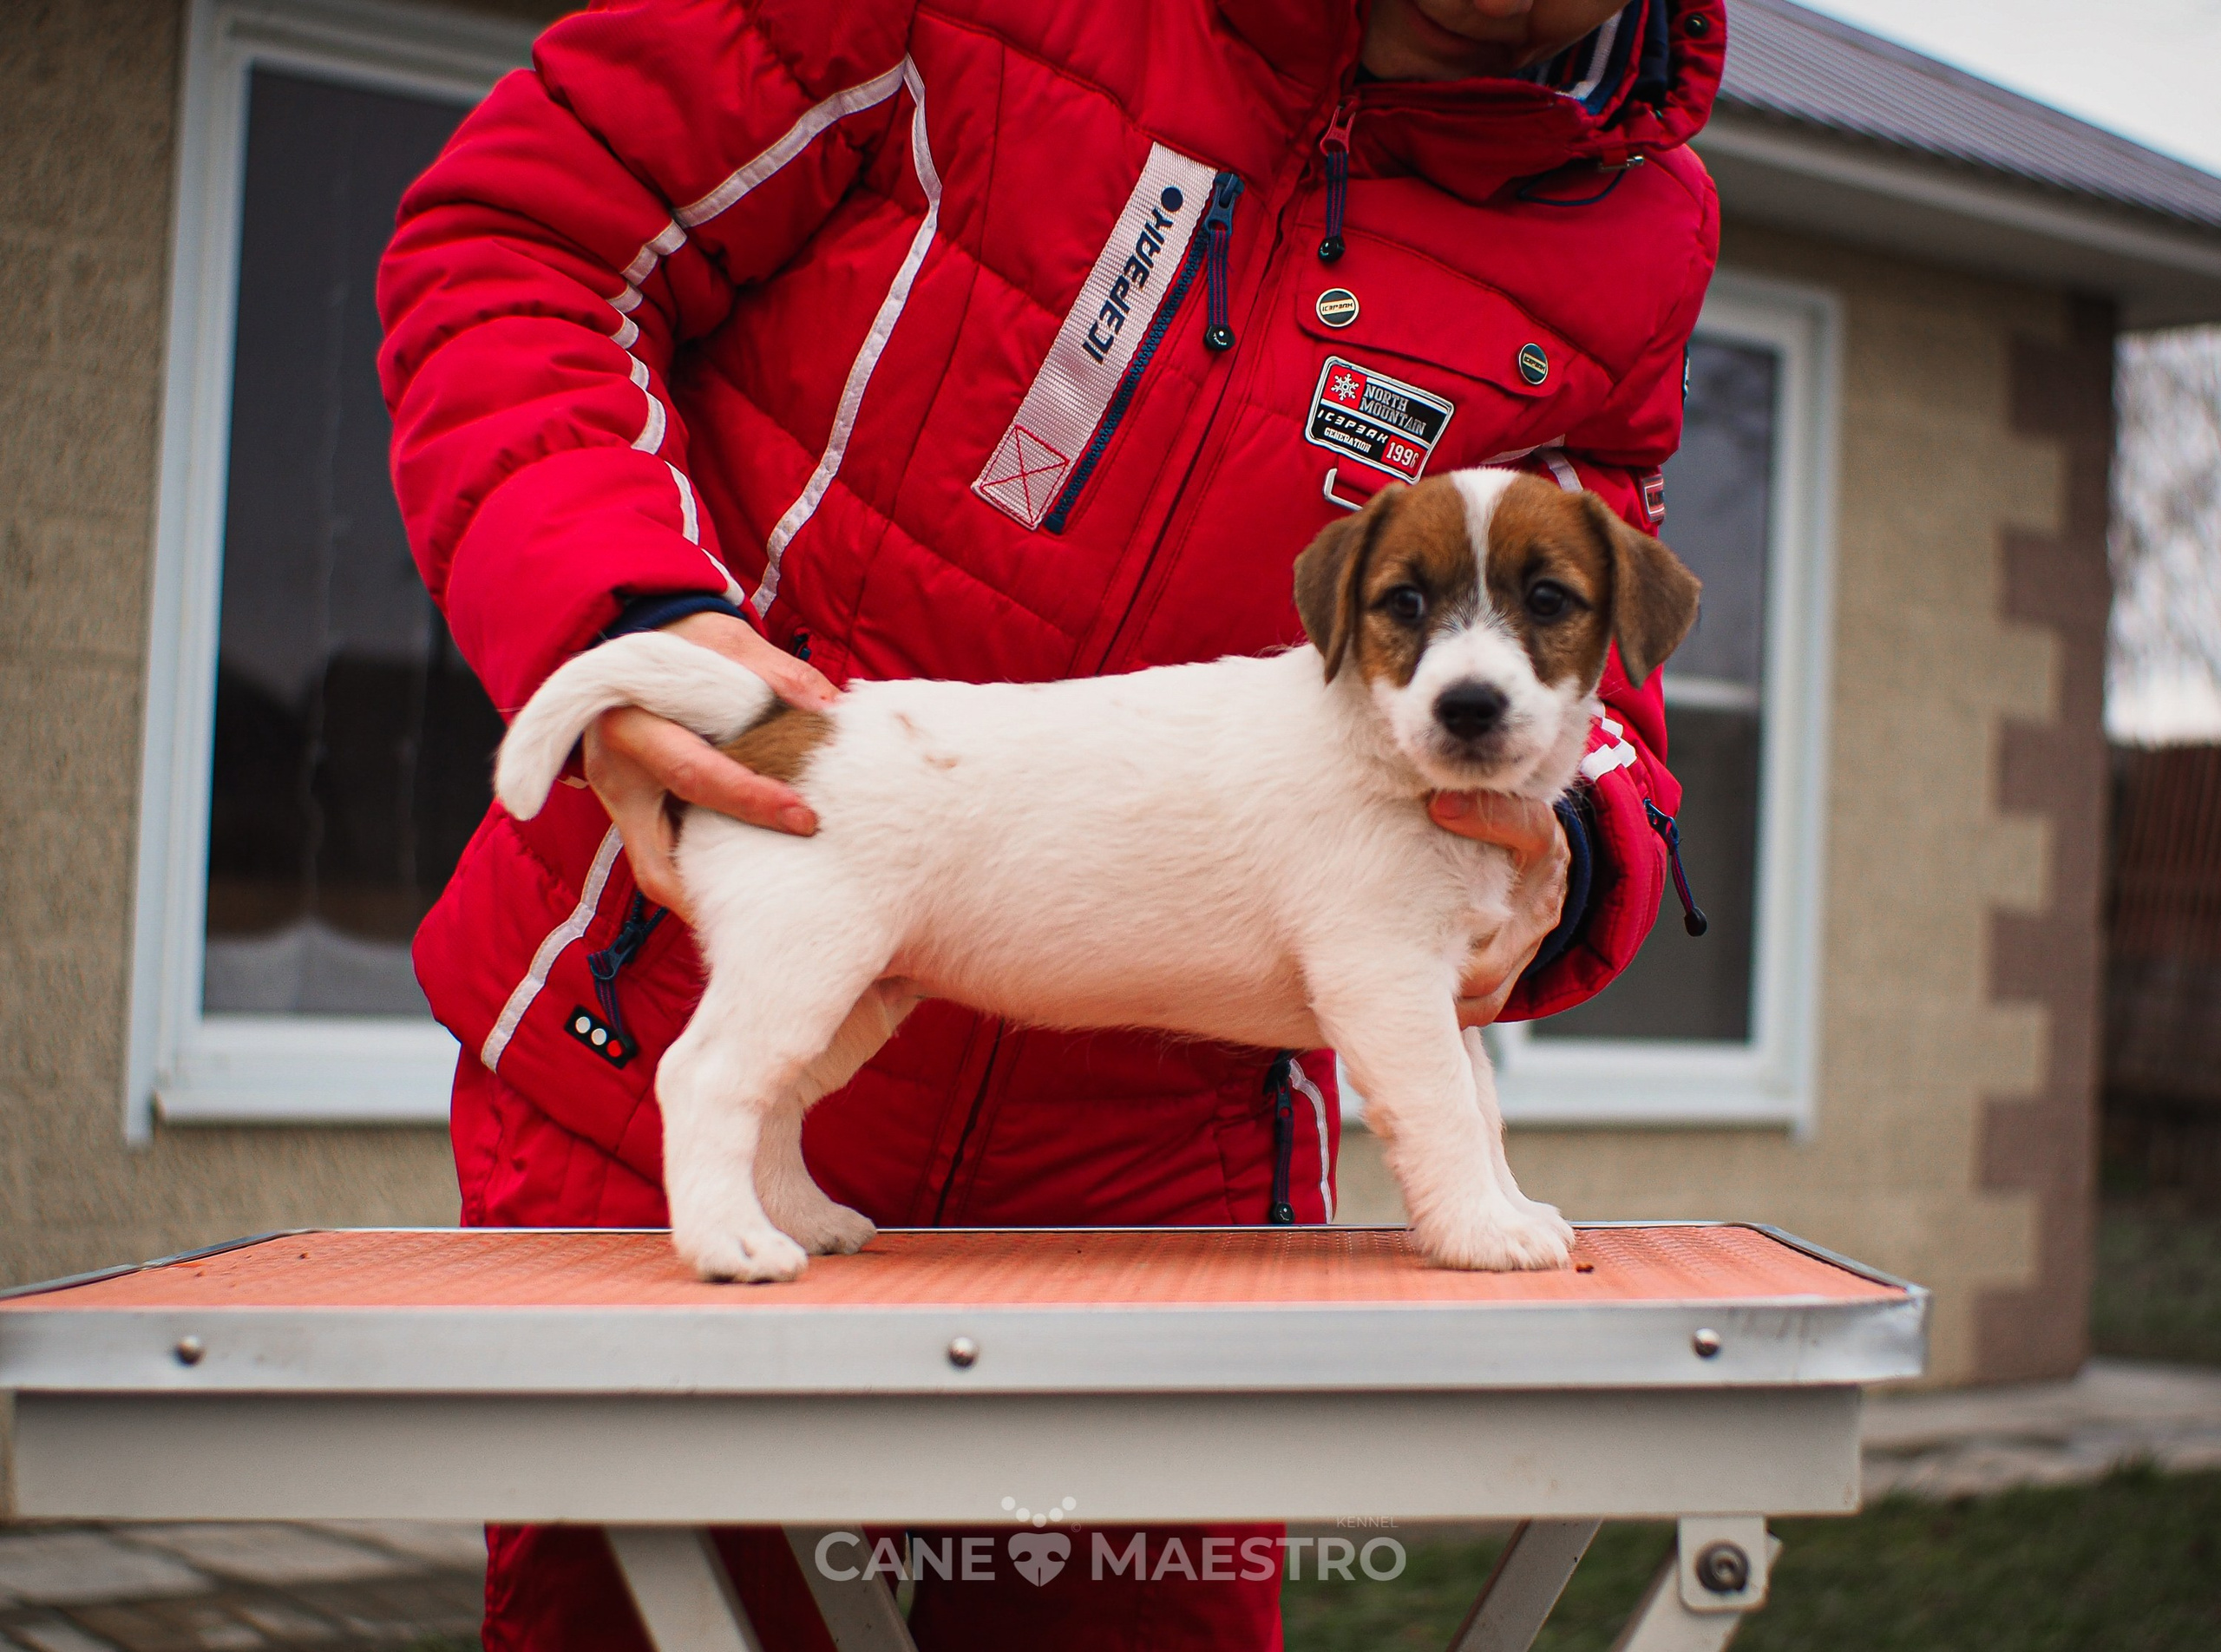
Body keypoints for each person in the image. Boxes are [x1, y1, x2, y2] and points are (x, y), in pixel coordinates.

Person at [377, 0, 1722, 1645]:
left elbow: (1603, 632)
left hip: (1168, 1178)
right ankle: (734, 1153)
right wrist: (620, 612)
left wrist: (1583, 842)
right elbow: (525, 238)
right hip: (706, 922)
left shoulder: (1641, 229)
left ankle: (765, 1159)